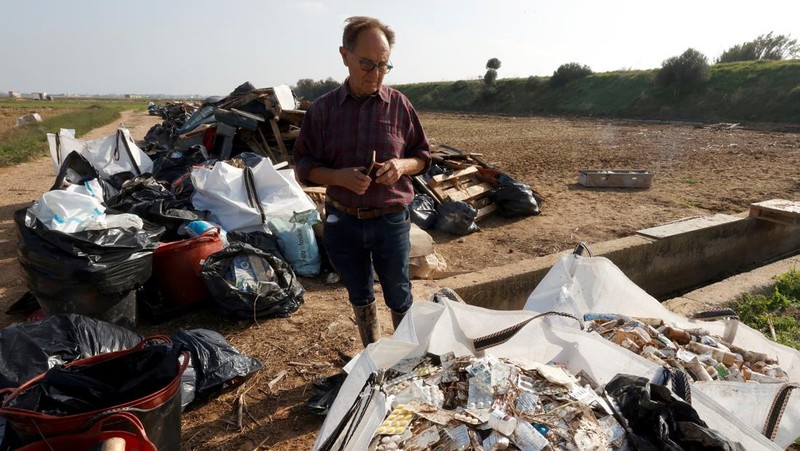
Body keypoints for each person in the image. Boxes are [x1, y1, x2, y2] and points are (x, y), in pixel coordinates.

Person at [293, 16, 432, 347]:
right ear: (345, 56)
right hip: (343, 222)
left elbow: (424, 157)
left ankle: (405, 355)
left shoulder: (399, 106)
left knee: (399, 292)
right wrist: (337, 176)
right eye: (367, 64)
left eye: (384, 65)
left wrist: (401, 165)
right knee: (359, 293)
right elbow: (304, 166)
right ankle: (373, 352)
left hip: (391, 221)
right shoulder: (323, 110)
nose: (376, 74)